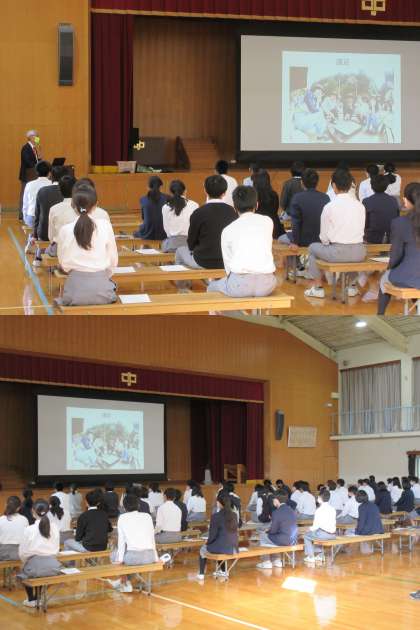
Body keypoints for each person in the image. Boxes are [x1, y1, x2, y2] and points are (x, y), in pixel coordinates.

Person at [305, 168, 366, 299]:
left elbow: (323, 237)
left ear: (333, 185)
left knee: (312, 248)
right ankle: (352, 286)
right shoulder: (360, 206)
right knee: (350, 256)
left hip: (338, 252)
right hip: (359, 252)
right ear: (350, 185)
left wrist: (329, 244)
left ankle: (318, 288)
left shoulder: (329, 206)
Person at [207, 186, 277, 298]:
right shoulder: (268, 221)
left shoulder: (227, 230)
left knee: (211, 286)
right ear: (257, 205)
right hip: (267, 284)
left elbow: (228, 265)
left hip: (239, 285)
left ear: (234, 207)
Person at [57, 184, 118, 306]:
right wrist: (103, 275)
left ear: (72, 205)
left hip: (74, 289)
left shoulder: (65, 230)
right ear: (96, 205)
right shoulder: (105, 225)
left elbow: (63, 263)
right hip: (102, 286)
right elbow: (113, 260)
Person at [175, 175, 236, 271]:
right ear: (224, 193)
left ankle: (185, 281)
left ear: (205, 191)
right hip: (226, 261)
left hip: (202, 260)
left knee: (179, 251)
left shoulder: (198, 212)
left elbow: (191, 243)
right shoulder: (232, 212)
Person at [378, 183, 420, 314]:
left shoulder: (400, 222)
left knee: (384, 279)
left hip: (411, 276)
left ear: (407, 200)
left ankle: (380, 314)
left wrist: (390, 267)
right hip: (414, 276)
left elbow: (396, 255)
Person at [107, 493, 158, 593]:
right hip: (149, 556)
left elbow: (121, 542)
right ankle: (121, 582)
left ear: (124, 507)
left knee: (114, 555)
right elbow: (152, 538)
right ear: (138, 505)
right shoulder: (147, 516)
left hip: (133, 558)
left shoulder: (122, 517)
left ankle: (125, 583)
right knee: (123, 556)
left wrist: (120, 559)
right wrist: (156, 557)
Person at [18, 498, 61, 608]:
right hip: (53, 565)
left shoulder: (29, 529)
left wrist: (24, 562)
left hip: (35, 564)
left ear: (33, 511)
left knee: (24, 571)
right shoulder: (54, 527)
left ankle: (31, 599)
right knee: (41, 570)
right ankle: (38, 596)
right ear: (47, 511)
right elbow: (56, 549)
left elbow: (23, 552)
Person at [196, 493, 238, 580]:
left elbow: (212, 535)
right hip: (232, 547)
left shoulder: (215, 516)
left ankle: (201, 574)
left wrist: (207, 542)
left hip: (221, 547)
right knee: (219, 545)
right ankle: (223, 571)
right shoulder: (234, 515)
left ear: (219, 503)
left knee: (202, 549)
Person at [287, 168, 330, 248]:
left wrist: (295, 242)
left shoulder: (297, 198)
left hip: (302, 242)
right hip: (321, 241)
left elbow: (295, 223)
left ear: (302, 182)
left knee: (281, 238)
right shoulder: (326, 198)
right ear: (317, 182)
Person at [256, 492, 298, 569]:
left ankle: (266, 562)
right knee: (273, 539)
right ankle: (277, 561)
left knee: (263, 536)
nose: (273, 502)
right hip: (293, 540)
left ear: (277, 501)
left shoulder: (276, 512)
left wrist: (267, 531)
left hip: (283, 540)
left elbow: (273, 531)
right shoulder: (292, 510)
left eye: (274, 500)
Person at [33, 165, 68, 246]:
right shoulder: (69, 191)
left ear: (51, 176)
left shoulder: (42, 190)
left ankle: (39, 253)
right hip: (64, 234)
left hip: (44, 233)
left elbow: (37, 215)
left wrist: (35, 235)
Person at [161, 180, 199, 252]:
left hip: (172, 245)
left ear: (171, 193)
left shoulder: (165, 207)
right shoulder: (194, 205)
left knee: (164, 244)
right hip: (190, 245)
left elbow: (166, 229)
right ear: (185, 191)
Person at [47, 176, 77, 256]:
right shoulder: (83, 208)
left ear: (60, 191)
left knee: (48, 250)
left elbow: (51, 236)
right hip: (78, 248)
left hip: (60, 247)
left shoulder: (54, 209)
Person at [303, 489, 336, 564]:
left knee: (306, 536)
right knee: (316, 534)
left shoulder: (319, 510)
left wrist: (308, 529)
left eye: (318, 497)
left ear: (320, 498)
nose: (317, 498)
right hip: (333, 535)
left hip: (323, 534)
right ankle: (320, 555)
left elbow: (315, 526)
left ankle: (311, 557)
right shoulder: (332, 509)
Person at [22, 161, 52, 242]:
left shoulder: (29, 184)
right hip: (47, 219)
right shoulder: (52, 184)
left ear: (36, 172)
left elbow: (25, 204)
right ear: (49, 173)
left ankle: (32, 239)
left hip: (31, 218)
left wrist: (26, 219)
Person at [134, 176, 168, 241]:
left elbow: (143, 217)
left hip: (148, 233)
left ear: (148, 187)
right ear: (161, 187)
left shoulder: (143, 199)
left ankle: (144, 246)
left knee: (136, 231)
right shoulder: (167, 198)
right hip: (164, 233)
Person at [252, 170, 284, 239]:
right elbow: (275, 210)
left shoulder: (253, 196)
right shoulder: (274, 194)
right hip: (274, 226)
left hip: (258, 227)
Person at [18, 130, 42, 220]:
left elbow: (36, 161)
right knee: (24, 194)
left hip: (33, 175)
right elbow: (27, 161)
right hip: (27, 175)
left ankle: (31, 213)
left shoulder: (34, 148)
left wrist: (40, 157)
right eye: (36, 136)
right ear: (30, 137)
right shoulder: (26, 148)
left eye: (37, 136)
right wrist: (37, 166)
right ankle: (21, 215)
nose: (37, 138)